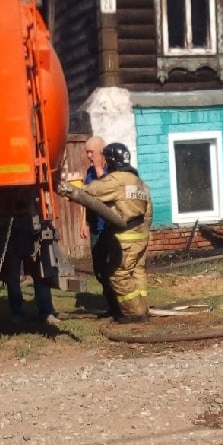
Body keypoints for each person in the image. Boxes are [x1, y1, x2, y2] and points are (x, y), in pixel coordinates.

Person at [79, 142, 152, 323]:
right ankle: (143, 307)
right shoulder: (139, 182)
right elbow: (149, 212)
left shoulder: (118, 179)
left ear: (110, 160)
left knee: (119, 274)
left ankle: (134, 313)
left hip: (126, 236)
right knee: (137, 272)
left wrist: (73, 189)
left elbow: (93, 190)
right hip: (141, 235)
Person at [83, 135, 121, 319]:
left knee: (113, 266)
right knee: (99, 269)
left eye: (91, 152)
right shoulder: (89, 172)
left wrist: (99, 169)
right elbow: (86, 199)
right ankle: (111, 304)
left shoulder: (112, 171)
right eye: (87, 152)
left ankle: (119, 306)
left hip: (110, 227)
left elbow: (108, 191)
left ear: (101, 151)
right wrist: (84, 223)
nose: (89, 156)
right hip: (96, 227)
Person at [0, 218, 60, 327]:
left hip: (34, 227)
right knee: (13, 276)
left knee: (40, 273)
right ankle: (17, 313)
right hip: (11, 227)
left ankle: (46, 312)